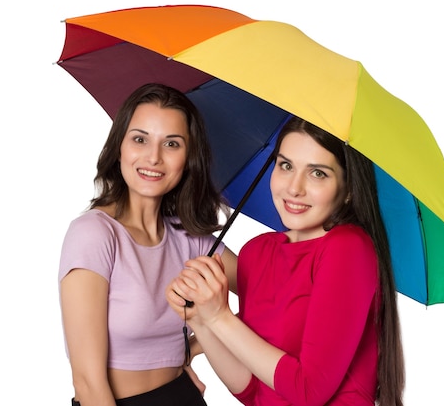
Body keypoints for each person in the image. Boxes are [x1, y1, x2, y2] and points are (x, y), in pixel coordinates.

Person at [167, 116, 405, 406]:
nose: (294, 188)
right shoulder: (257, 252)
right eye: (286, 165)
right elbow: (252, 391)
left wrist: (220, 317)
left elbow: (309, 392)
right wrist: (202, 321)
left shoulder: (348, 248)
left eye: (317, 173)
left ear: (348, 191)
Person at [58, 83, 237, 406]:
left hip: (183, 396)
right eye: (140, 139)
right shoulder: (95, 235)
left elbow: (271, 292)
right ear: (120, 148)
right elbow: (87, 383)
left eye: (171, 143)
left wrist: (199, 342)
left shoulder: (193, 240)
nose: (153, 157)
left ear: (188, 157)